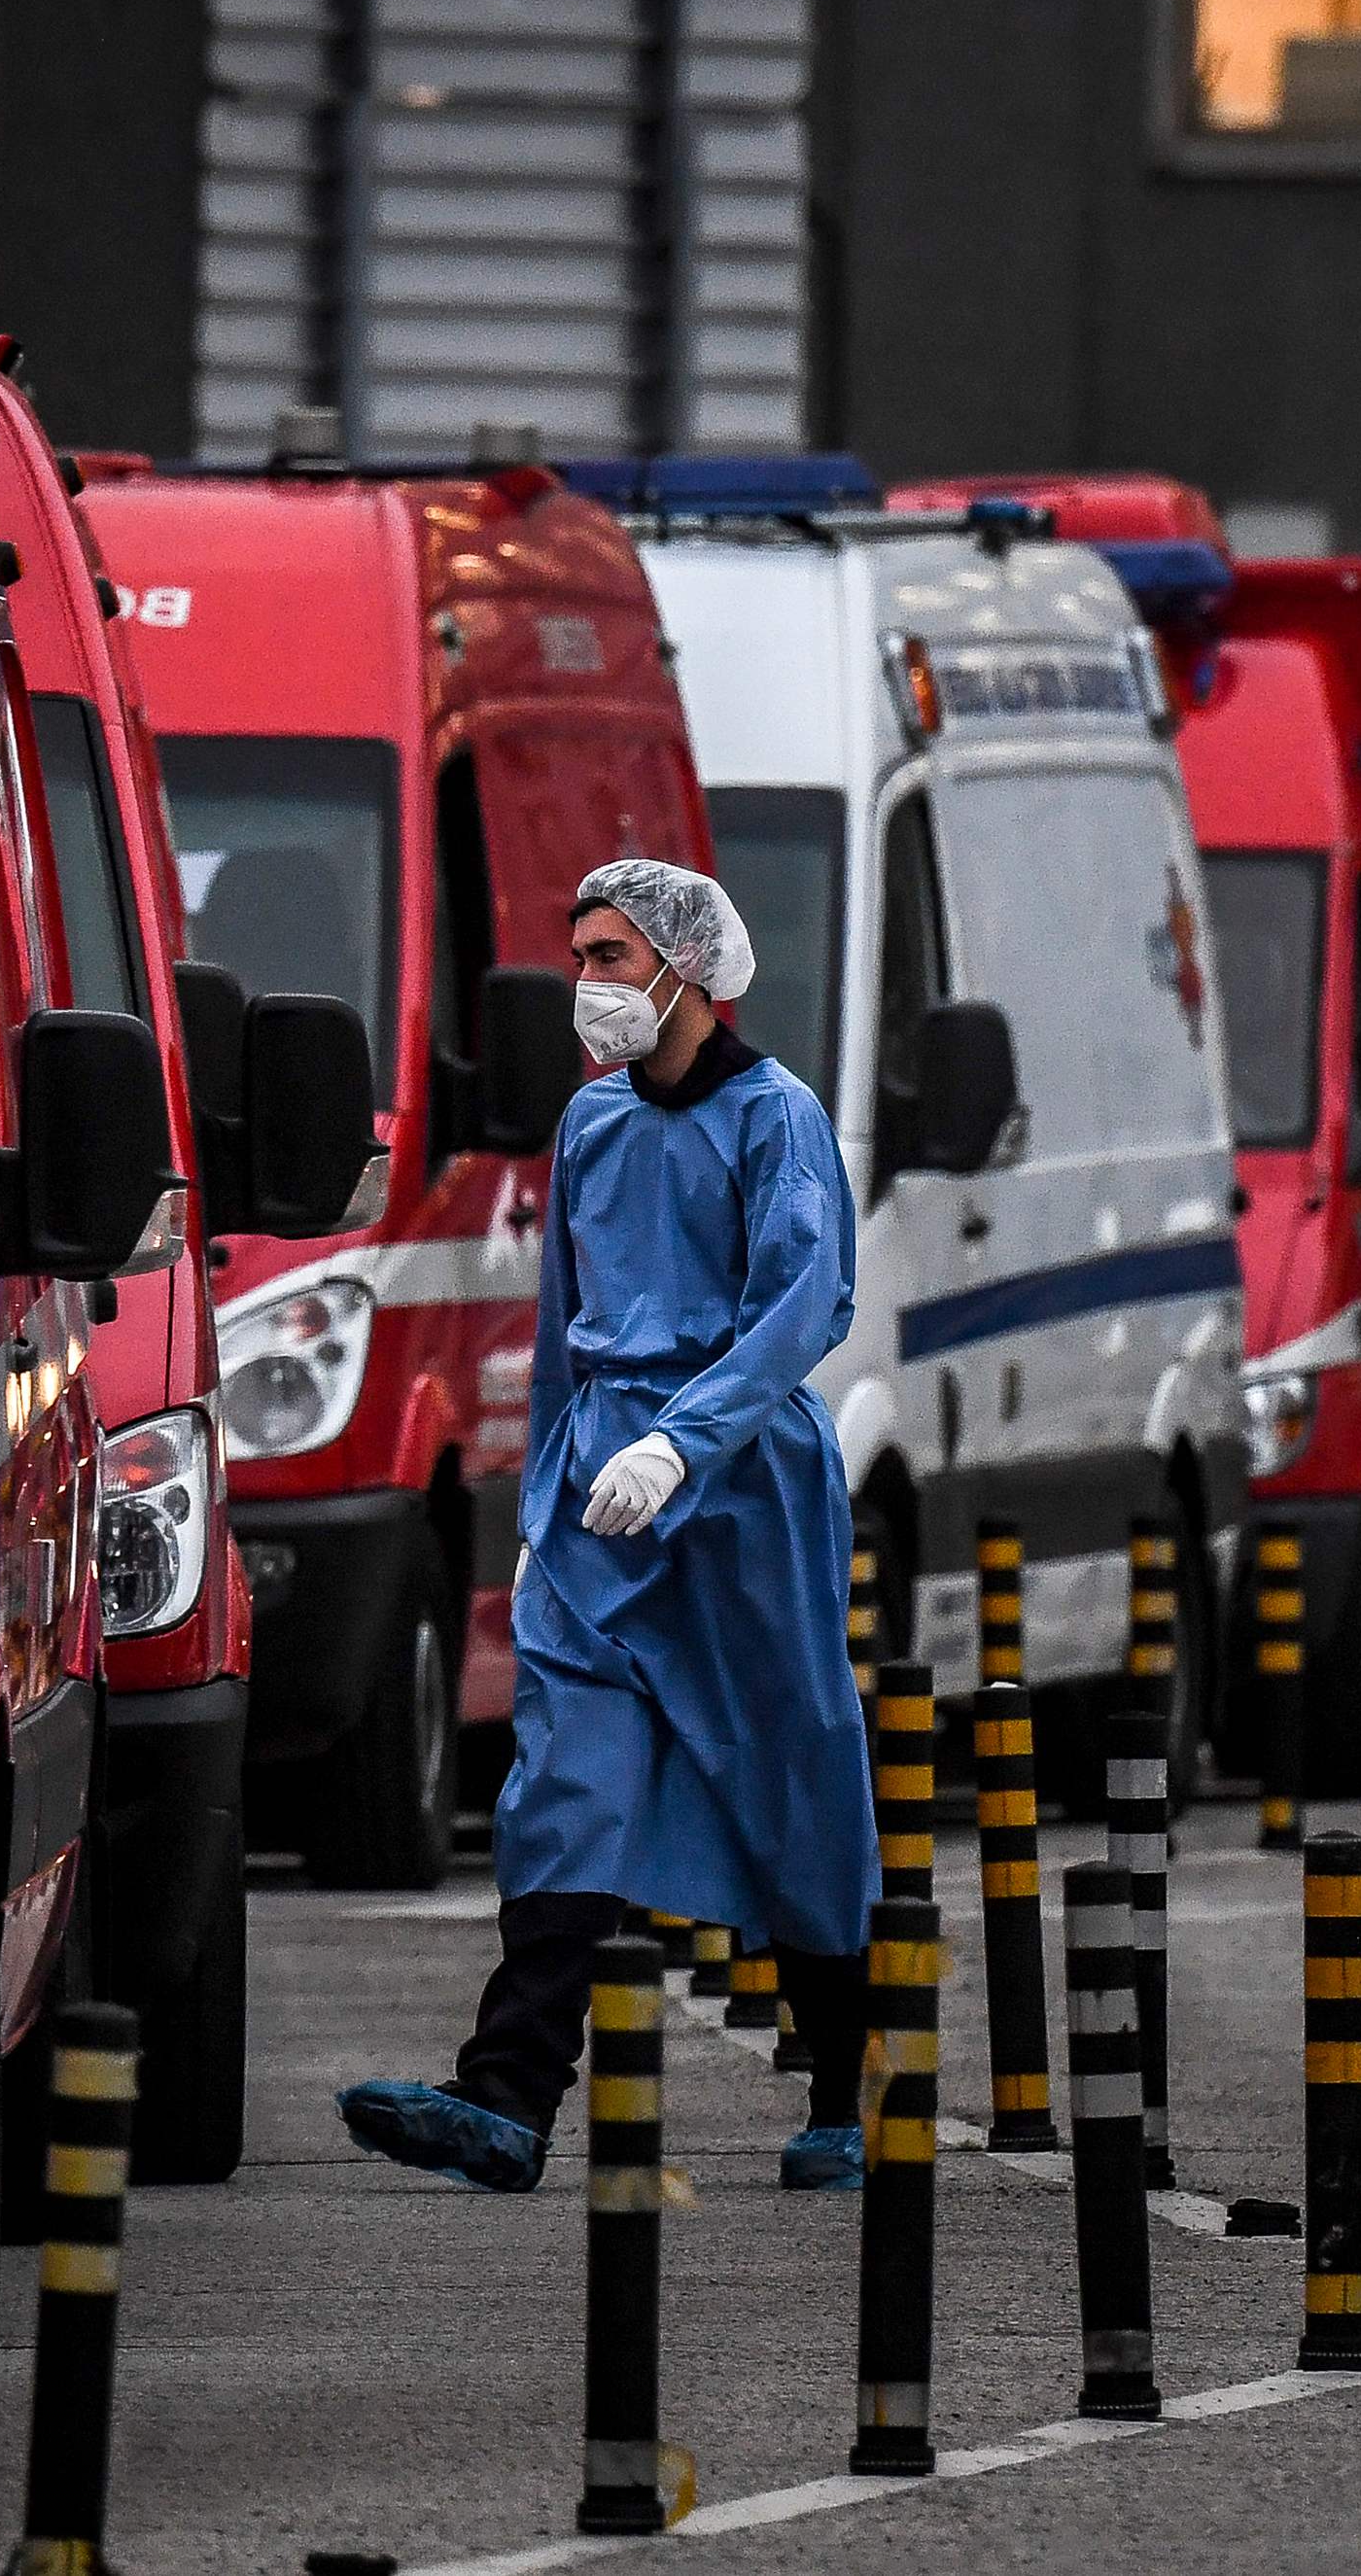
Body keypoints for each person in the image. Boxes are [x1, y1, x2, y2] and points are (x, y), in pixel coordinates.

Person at [337, 857, 882, 2191]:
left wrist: (682, 1439)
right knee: (565, 1779)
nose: (590, 984)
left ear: (689, 968)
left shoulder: (778, 1117)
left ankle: (846, 2092)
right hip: (600, 1496)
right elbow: (566, 1322)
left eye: (614, 957)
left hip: (743, 1485)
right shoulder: (588, 1126)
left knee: (791, 1768)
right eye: (579, 955)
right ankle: (507, 2097)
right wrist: (549, 1511)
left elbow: (804, 1308)